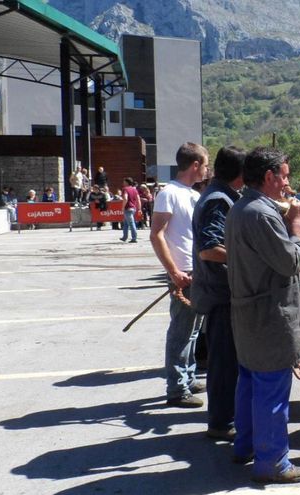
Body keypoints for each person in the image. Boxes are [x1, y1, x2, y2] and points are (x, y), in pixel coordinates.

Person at [226, 147, 300, 484]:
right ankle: (272, 462)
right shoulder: (261, 214)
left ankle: (246, 445)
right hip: (270, 317)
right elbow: (286, 262)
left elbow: (269, 257)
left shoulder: (244, 208)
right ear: (268, 177)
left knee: (251, 384)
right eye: (284, 175)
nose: (288, 183)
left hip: (249, 313)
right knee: (271, 391)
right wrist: (298, 226)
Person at [191, 146, 246, 442]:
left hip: (218, 291)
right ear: (240, 173)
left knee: (225, 361)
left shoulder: (219, 195)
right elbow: (210, 249)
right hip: (220, 294)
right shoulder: (218, 200)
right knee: (224, 363)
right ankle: (222, 422)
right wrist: (249, 257)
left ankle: (224, 417)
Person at [150, 142, 210, 408]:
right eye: (205, 165)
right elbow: (156, 234)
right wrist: (173, 271)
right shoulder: (168, 194)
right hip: (183, 273)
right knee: (181, 331)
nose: (207, 170)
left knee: (194, 331)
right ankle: (176, 388)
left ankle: (188, 375)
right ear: (195, 165)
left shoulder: (192, 194)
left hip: (196, 272)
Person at [120, 177, 141, 243]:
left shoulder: (125, 189)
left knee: (131, 223)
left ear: (127, 182)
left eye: (124, 182)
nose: (123, 183)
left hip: (128, 208)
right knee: (126, 223)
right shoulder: (134, 189)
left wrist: (123, 207)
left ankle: (134, 238)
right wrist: (139, 208)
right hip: (133, 208)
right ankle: (124, 237)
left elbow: (125, 198)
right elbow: (138, 199)